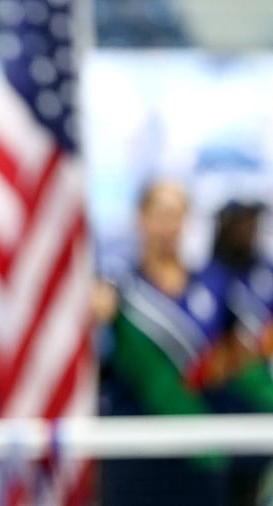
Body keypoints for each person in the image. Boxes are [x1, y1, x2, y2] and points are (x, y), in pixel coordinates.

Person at [95, 180, 230, 506]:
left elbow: (239, 354)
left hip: (201, 449)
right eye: (159, 212)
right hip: (135, 449)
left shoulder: (214, 282)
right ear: (141, 218)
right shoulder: (118, 283)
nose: (166, 224)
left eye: (175, 213)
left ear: (187, 219)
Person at [202, 199, 273, 506]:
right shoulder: (206, 280)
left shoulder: (266, 273)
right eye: (242, 223)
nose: (249, 231)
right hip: (226, 410)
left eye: (254, 223)